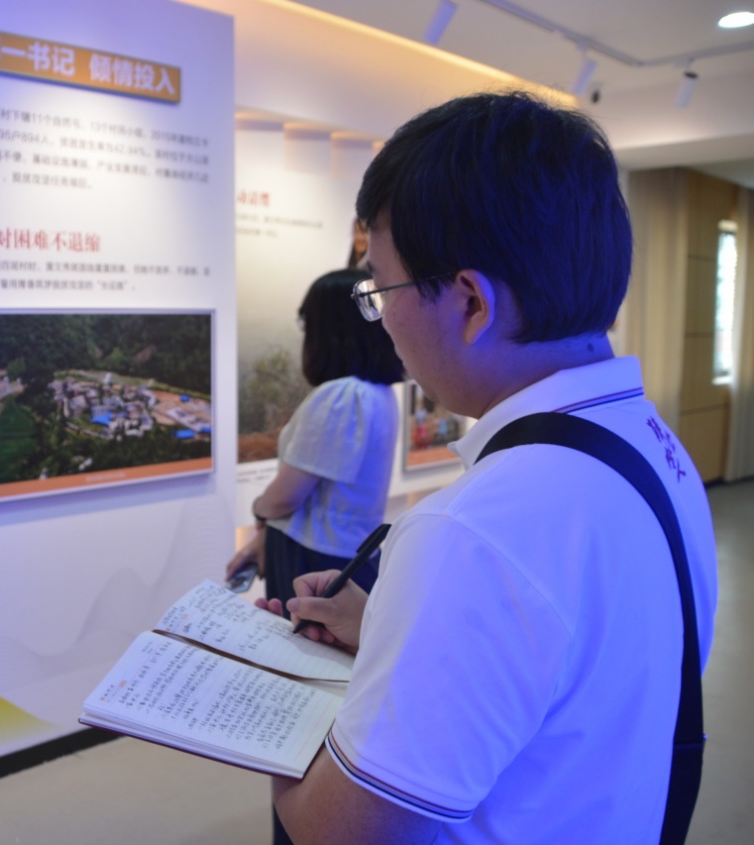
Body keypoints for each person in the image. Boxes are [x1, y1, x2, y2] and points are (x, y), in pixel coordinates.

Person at [265, 91, 720, 845]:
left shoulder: (471, 528)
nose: (383, 319)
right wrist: (391, 628)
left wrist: (271, 696)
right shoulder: (653, 446)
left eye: (381, 289)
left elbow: (341, 833)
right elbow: (574, 674)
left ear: (471, 302)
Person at [226, 267, 404, 611]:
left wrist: (259, 510)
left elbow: (286, 497)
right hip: (351, 554)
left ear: (328, 328)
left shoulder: (340, 395)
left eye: (307, 321)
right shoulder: (379, 394)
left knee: (302, 639)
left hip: (313, 557)